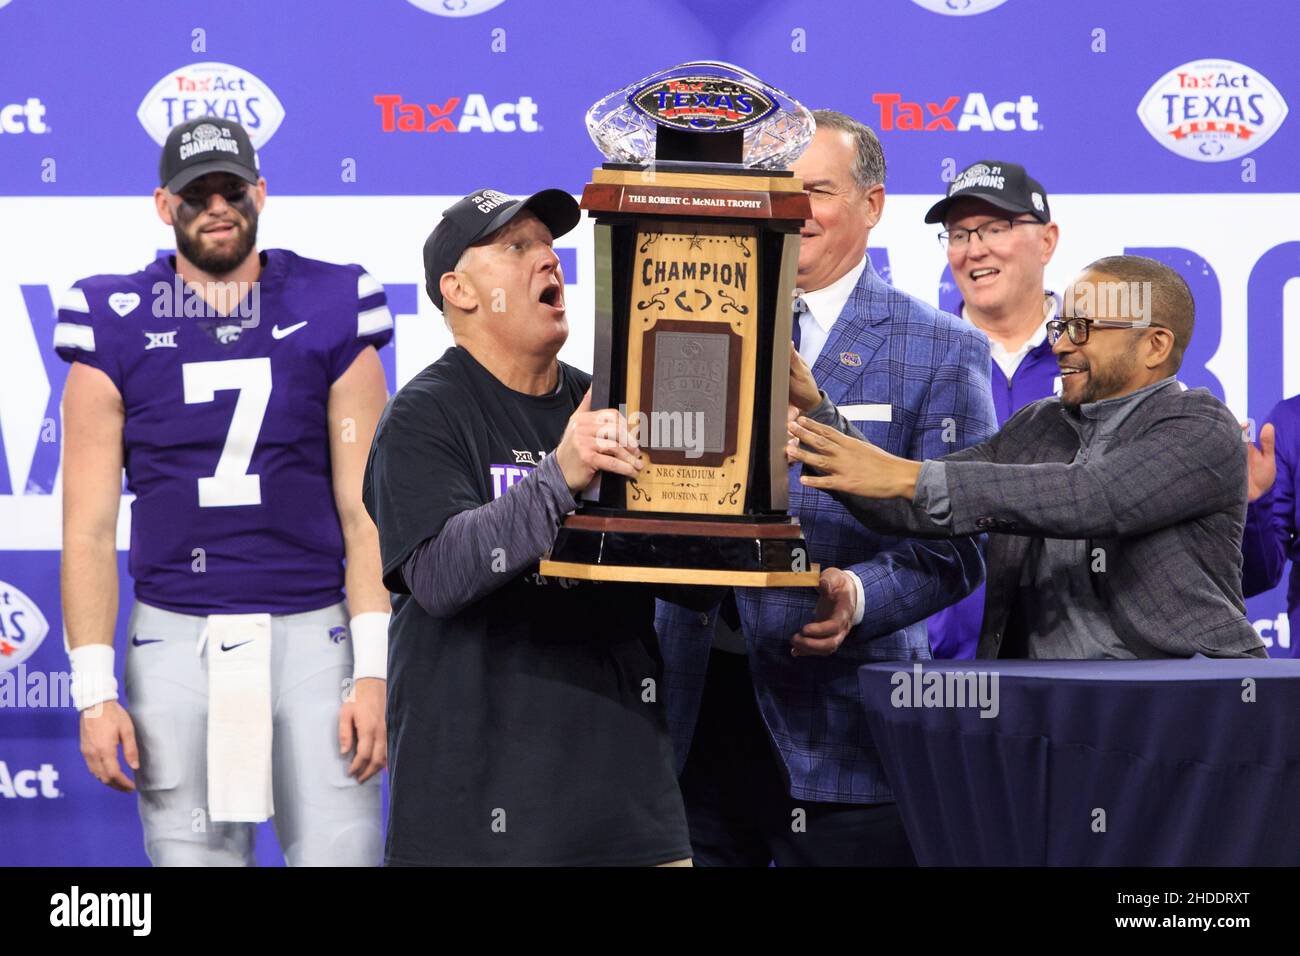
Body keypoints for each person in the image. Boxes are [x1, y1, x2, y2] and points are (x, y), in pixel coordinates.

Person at [655, 110, 998, 866]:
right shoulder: (687, 322)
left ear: (873, 204)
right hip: (691, 716)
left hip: (845, 731)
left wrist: (861, 595)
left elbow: (963, 543)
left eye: (816, 189)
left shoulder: (944, 348)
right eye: (777, 187)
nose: (792, 208)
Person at [57, 117, 394, 865]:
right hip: (174, 636)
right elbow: (85, 528)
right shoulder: (111, 319)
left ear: (260, 193)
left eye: (231, 188)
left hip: (314, 630)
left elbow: (366, 511)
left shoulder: (333, 301)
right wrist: (92, 691)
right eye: (195, 193)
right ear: (162, 205)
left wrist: (373, 669)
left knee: (344, 854)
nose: (216, 206)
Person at [363, 188, 699, 866]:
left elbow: (691, 585)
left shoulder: (611, 403)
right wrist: (559, 475)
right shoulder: (423, 416)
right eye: (516, 247)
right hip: (476, 817)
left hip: (628, 807)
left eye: (548, 245)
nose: (547, 258)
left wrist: (740, 490)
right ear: (458, 289)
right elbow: (438, 575)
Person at [788, 254, 1267, 660]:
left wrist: (909, 477)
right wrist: (818, 414)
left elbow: (1095, 498)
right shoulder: (1040, 424)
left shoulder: (1201, 426)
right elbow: (913, 505)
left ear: (1154, 345)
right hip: (1044, 708)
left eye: (1082, 330)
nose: (1060, 344)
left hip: (1188, 703)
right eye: (1061, 326)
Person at [926, 160, 1277, 656]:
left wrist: (1248, 507)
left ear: (1047, 240)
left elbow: (1235, 582)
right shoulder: (914, 359)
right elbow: (896, 502)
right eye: (958, 234)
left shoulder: (1124, 380)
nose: (974, 247)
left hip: (1116, 685)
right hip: (969, 672)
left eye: (995, 227)